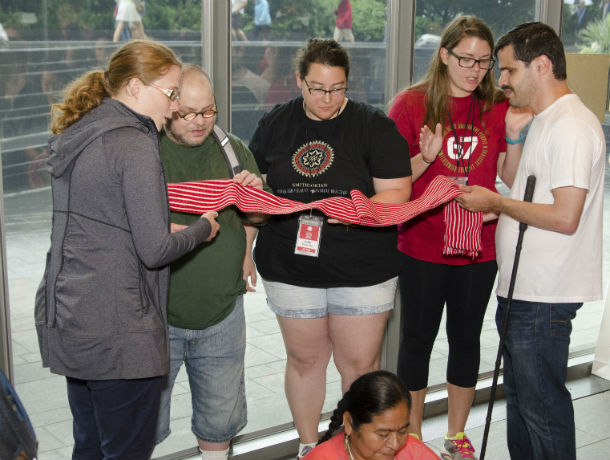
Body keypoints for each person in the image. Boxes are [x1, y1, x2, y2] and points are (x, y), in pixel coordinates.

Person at [34, 40, 220, 460]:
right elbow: (154, 252)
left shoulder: (81, 132)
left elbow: (98, 220)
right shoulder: (134, 142)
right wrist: (200, 229)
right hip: (119, 330)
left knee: (91, 446)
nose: (174, 108)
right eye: (171, 94)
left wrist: (158, 226)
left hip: (74, 317)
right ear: (135, 87)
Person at [249, 38, 412, 458]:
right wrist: (244, 248)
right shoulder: (275, 124)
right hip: (290, 264)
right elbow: (255, 194)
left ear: (347, 84)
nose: (327, 98)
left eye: (337, 88)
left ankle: (356, 449)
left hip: (363, 267)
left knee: (358, 366)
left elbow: (397, 192)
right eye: (318, 88)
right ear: (299, 82)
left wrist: (359, 211)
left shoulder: (374, 126)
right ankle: (309, 448)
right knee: (305, 361)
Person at [456, 22, 605, 460]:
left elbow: (564, 217)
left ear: (541, 66)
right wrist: (501, 194)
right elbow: (524, 188)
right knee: (522, 408)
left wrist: (498, 206)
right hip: (524, 291)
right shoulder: (545, 121)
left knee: (542, 413)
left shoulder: (571, 127)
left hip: (544, 296)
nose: (500, 81)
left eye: (508, 70)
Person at [387, 16, 524, 460]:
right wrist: (425, 160)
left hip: (479, 248)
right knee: (417, 340)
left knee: (466, 339)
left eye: (484, 62)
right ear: (444, 55)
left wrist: (517, 139)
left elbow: (508, 175)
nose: (475, 70)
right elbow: (393, 186)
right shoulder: (409, 105)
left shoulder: (497, 107)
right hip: (423, 244)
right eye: (466, 59)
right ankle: (411, 437)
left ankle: (456, 434)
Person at [155, 65, 268, 460]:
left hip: (222, 312)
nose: (200, 122)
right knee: (142, 421)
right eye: (188, 113)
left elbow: (259, 216)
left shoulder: (232, 149)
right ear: (168, 107)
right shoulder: (145, 150)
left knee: (219, 421)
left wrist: (255, 200)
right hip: (156, 316)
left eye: (209, 111)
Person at [302, 371, 440, 460]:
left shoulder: (416, 454)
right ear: (349, 423)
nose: (396, 444)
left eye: (402, 431)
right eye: (383, 434)